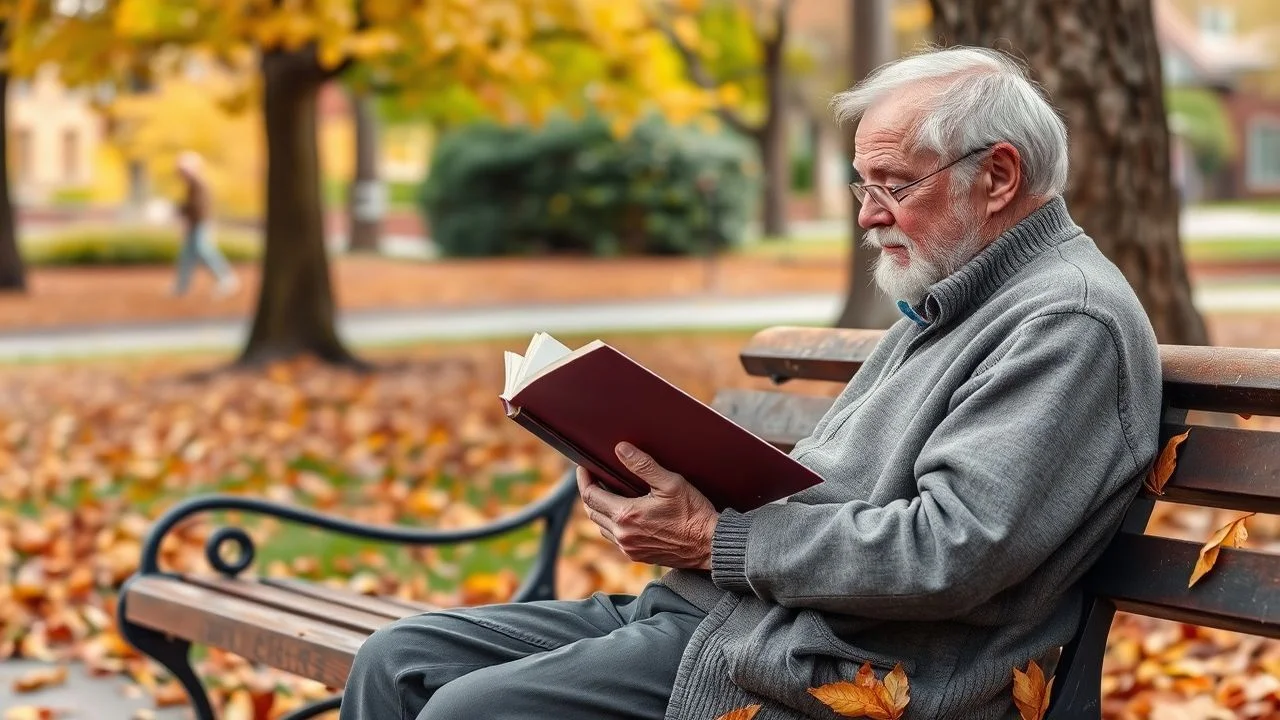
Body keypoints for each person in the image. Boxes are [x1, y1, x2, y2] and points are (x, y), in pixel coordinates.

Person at [339, 46, 1163, 720]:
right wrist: (662, 482)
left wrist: (713, 539)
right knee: (397, 661)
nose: (868, 214)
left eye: (893, 184)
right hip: (735, 613)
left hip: (836, 664)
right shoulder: (959, 297)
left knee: (471, 715)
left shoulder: (1066, 324)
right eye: (862, 185)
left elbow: (948, 552)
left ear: (998, 177)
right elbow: (837, 489)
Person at [173, 151, 239, 297]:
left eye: (182, 170)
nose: (180, 174)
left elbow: (199, 208)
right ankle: (181, 286)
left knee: (204, 250)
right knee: (187, 255)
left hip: (200, 224)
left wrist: (186, 218)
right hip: (196, 223)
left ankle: (226, 278)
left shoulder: (199, 185)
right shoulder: (193, 185)